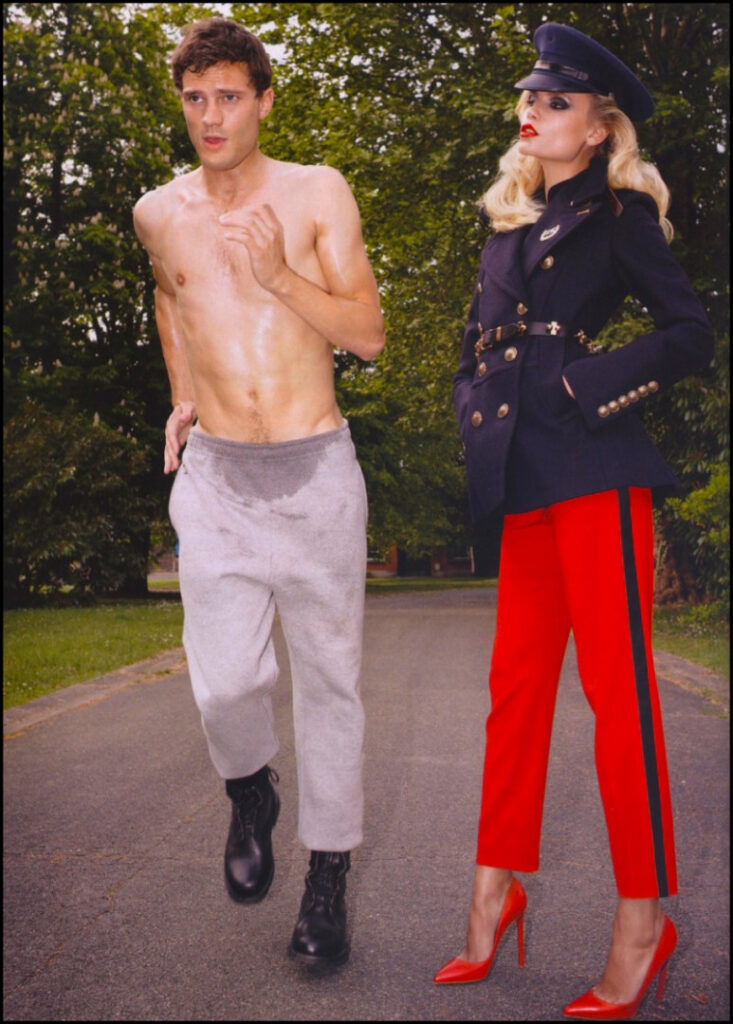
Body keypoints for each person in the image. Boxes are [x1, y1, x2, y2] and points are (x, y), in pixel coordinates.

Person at [433, 22, 714, 1019]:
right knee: (513, 695)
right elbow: (476, 349)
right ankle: (493, 891)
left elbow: (689, 333)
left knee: (617, 698)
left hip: (596, 472)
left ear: (598, 129)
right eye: (529, 98)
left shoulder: (619, 216)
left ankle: (643, 923)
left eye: (556, 102)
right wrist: (473, 407)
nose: (533, 111)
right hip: (522, 480)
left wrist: (585, 383)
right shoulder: (505, 227)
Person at [133, 17, 385, 967]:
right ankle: (250, 790)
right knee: (226, 682)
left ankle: (326, 882)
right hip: (218, 480)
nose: (210, 116)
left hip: (315, 473)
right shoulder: (157, 211)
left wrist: (277, 273)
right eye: (194, 98)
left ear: (264, 101)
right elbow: (170, 297)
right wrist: (182, 395)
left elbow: (367, 334)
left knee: (328, 687)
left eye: (229, 97)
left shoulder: (317, 191)